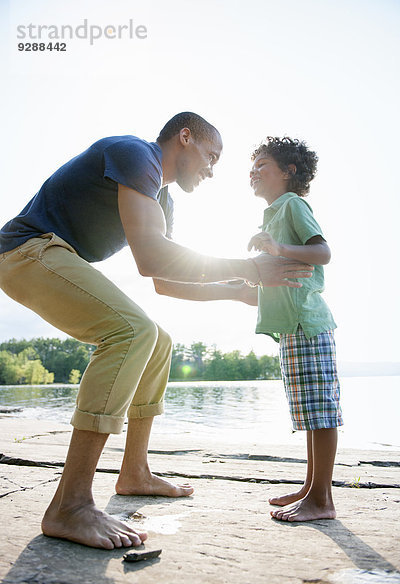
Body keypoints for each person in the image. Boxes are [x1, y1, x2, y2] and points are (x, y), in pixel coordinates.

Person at [0, 114, 313, 549]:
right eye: (211, 155)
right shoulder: (136, 153)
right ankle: (69, 505)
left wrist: (239, 292)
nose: (212, 169)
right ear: (185, 137)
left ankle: (135, 472)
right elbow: (151, 256)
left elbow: (166, 282)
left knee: (158, 340)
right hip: (24, 249)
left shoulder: (163, 200)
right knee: (131, 332)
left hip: (50, 255)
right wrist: (248, 268)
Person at [247, 136, 343, 522]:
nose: (252, 172)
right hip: (292, 327)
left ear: (289, 171)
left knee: (321, 412)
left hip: (308, 322)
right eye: (251, 166)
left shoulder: (293, 204)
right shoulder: (273, 213)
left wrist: (278, 249)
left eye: (262, 164)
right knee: (308, 410)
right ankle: (310, 486)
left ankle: (322, 500)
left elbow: (323, 253)